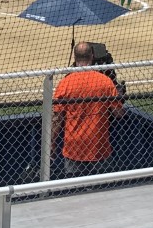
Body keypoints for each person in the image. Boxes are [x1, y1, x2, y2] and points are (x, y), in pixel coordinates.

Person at [52, 41, 123, 177]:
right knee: (102, 187)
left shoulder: (65, 83)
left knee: (75, 190)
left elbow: (57, 119)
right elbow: (119, 114)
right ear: (92, 56)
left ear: (75, 57)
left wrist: (52, 144)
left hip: (74, 149)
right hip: (99, 147)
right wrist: (118, 97)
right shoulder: (105, 82)